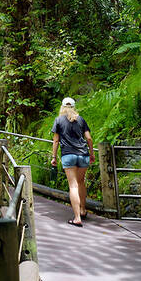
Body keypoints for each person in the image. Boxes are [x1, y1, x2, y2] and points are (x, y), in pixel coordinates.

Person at [51, 97, 94, 227]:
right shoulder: (81, 119)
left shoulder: (58, 120)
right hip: (83, 155)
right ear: (74, 107)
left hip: (68, 155)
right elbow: (89, 138)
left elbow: (56, 141)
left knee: (73, 186)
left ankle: (77, 218)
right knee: (81, 182)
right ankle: (82, 210)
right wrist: (91, 154)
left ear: (62, 107)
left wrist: (53, 157)